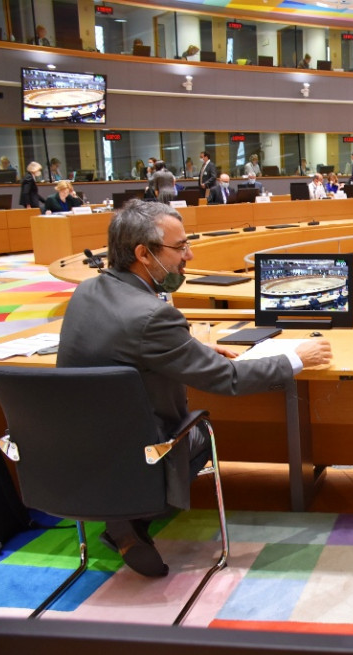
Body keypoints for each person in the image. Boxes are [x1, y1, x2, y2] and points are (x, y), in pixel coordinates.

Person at [57, 200, 332, 577]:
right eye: (180, 246)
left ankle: (124, 520)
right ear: (144, 253)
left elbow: (126, 345)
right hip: (141, 451)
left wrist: (193, 349)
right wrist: (296, 358)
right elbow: (227, 379)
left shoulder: (87, 291)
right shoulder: (154, 314)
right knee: (200, 430)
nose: (189, 254)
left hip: (75, 445)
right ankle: (134, 515)